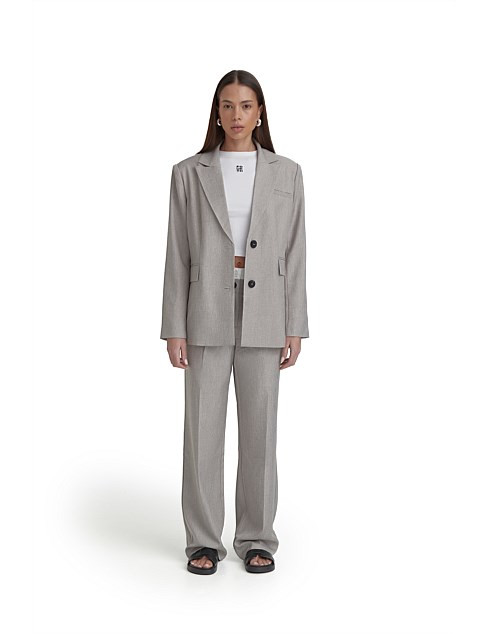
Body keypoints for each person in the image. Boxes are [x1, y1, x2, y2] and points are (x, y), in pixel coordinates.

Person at [160, 70, 309, 575]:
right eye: (227, 106)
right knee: (202, 430)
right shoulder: (189, 172)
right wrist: (174, 327)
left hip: (267, 310)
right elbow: (177, 253)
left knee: (260, 431)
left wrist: (295, 323)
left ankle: (257, 537)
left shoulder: (287, 173)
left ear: (260, 112)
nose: (237, 115)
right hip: (205, 309)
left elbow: (296, 252)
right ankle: (203, 540)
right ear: (216, 112)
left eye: (246, 106)